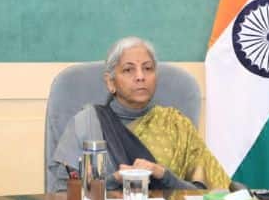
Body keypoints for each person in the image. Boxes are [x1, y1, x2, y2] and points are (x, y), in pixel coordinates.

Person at [48, 37, 231, 191]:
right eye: (128, 70)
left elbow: (211, 194)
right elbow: (63, 192)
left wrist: (164, 175)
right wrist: (115, 179)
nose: (140, 76)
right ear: (110, 82)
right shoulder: (86, 124)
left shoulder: (176, 124)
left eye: (147, 68)